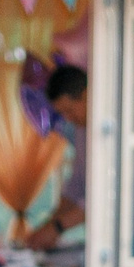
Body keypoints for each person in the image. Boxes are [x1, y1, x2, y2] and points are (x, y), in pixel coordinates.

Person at [21, 64, 88, 253]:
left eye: (70, 110)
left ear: (86, 95)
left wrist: (57, 227)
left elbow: (103, 198)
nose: (68, 118)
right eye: (62, 113)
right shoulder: (82, 131)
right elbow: (76, 186)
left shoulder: (118, 131)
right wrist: (47, 226)